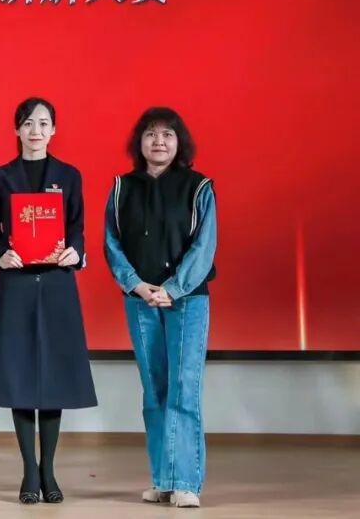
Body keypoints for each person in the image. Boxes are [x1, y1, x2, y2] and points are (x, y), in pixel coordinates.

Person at [0, 97, 97, 504]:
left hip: (56, 283)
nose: (36, 131)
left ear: (54, 130)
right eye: (28, 123)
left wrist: (75, 251)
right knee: (20, 376)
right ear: (17, 129)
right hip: (15, 284)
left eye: (44, 123)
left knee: (53, 378)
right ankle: (29, 470)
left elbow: (77, 227)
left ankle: (49, 470)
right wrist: (0, 254)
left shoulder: (69, 175)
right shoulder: (0, 176)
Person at [104, 107, 217, 509]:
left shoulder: (198, 187)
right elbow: (112, 243)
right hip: (140, 300)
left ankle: (186, 482)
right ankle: (162, 480)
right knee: (154, 390)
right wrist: (135, 284)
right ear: (139, 142)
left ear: (179, 142)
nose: (159, 141)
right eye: (151, 134)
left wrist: (173, 288)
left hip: (187, 300)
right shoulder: (122, 188)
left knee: (184, 389)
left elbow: (204, 246)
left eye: (167, 134)